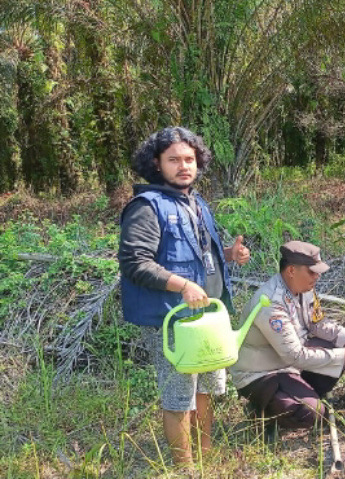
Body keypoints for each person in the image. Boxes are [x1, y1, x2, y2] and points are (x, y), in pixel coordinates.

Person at [118, 127, 251, 466]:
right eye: (174, 160)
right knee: (179, 396)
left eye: (189, 159)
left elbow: (198, 255)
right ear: (156, 163)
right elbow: (135, 263)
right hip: (172, 318)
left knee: (207, 388)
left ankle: (205, 454)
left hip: (208, 316)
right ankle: (185, 466)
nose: (183, 166)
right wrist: (182, 285)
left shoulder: (196, 202)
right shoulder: (147, 207)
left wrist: (229, 254)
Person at [230, 241, 345, 431]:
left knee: (341, 347)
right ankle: (263, 410)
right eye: (311, 272)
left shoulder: (304, 289)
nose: (317, 276)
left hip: (290, 364)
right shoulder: (272, 303)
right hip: (262, 373)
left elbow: (317, 323)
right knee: (311, 413)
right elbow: (294, 355)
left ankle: (301, 393)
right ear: (291, 270)